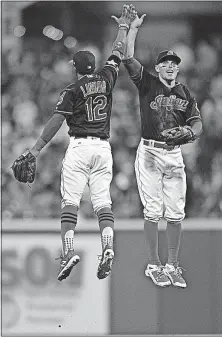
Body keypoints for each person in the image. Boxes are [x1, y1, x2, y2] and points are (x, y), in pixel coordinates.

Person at [27, 5, 134, 281]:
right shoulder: (107, 78)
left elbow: (55, 122)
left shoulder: (72, 90)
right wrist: (123, 27)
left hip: (80, 147)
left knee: (70, 202)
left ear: (75, 68)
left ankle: (69, 251)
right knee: (102, 203)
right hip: (103, 148)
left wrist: (36, 148)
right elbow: (117, 52)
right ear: (93, 66)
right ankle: (108, 246)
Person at [115, 7, 203, 288]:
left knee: (176, 213)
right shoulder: (148, 83)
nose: (169, 66)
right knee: (153, 210)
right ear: (157, 68)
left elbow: (197, 122)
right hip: (151, 151)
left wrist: (190, 131)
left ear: (178, 68)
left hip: (173, 152)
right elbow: (127, 58)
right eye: (164, 62)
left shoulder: (185, 92)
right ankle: (154, 264)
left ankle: (173, 265)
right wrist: (133, 30)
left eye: (173, 63)